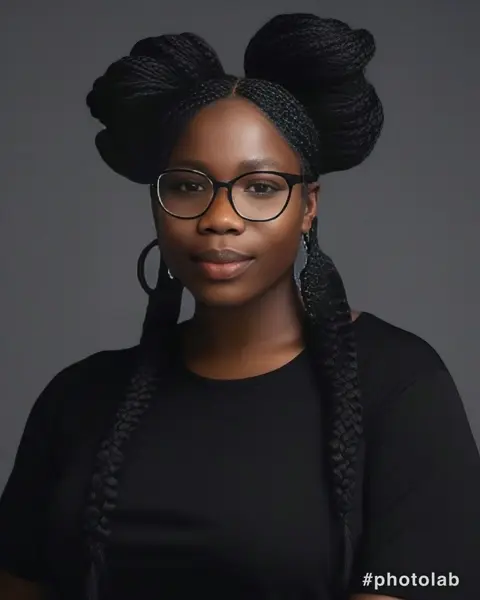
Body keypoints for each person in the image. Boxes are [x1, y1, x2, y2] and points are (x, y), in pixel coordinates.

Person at [0, 12, 479, 600]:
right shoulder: (77, 398)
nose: (220, 217)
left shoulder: (398, 384)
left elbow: (427, 580)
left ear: (308, 207)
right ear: (156, 203)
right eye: (187, 185)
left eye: (260, 187)